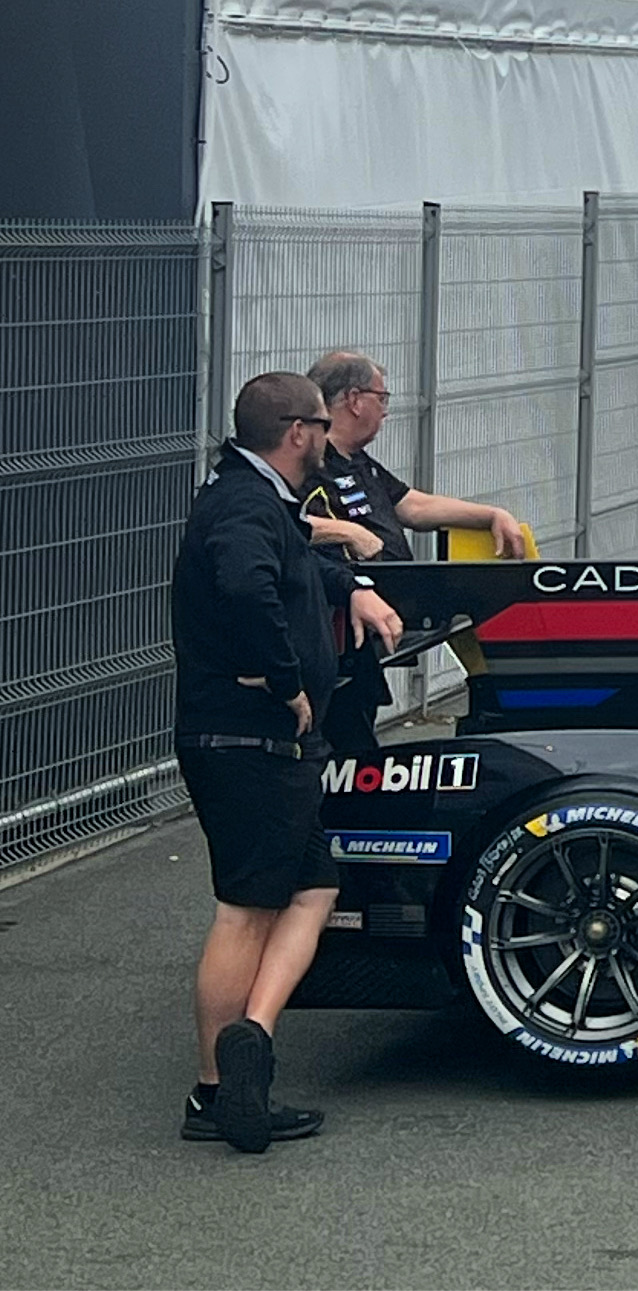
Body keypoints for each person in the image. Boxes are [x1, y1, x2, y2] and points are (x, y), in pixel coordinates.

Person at [172, 372, 402, 1151]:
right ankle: (214, 1091)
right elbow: (247, 581)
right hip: (246, 740)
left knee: (313, 888)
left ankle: (252, 1042)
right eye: (321, 426)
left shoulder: (260, 500)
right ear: (299, 430)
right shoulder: (242, 503)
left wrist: (352, 587)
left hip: (271, 744)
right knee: (246, 908)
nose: (327, 441)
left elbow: (293, 558)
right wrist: (285, 678)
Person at [295, 350, 529, 758]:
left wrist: (491, 514)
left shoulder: (358, 462)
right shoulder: (309, 462)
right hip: (331, 633)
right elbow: (280, 524)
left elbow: (412, 506)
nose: (386, 410)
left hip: (373, 635)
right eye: (381, 397)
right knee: (341, 746)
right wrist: (348, 531)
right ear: (354, 400)